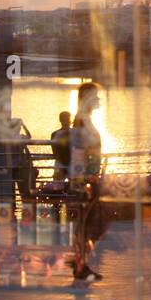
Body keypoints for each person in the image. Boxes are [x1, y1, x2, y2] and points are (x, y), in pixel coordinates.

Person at [69, 82, 104, 283]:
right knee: (84, 225)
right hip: (85, 180)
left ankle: (80, 263)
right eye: (96, 96)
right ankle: (80, 265)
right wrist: (89, 177)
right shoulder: (82, 122)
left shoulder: (83, 120)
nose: (99, 99)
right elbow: (81, 153)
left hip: (86, 178)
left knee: (85, 224)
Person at [50, 111, 72, 181]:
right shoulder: (75, 133)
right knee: (73, 186)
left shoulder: (54, 134)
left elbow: (54, 150)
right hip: (71, 163)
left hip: (60, 163)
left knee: (57, 186)